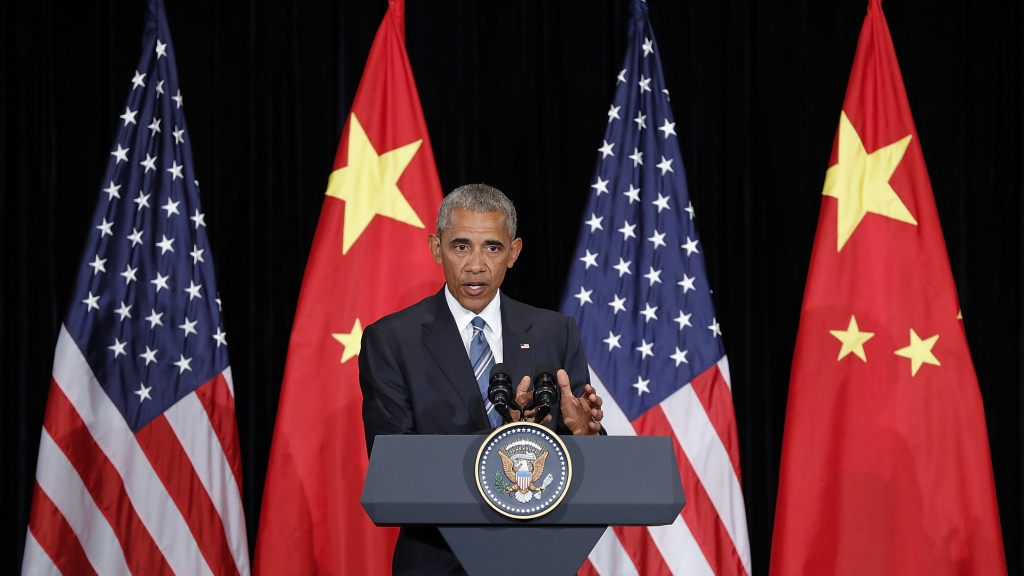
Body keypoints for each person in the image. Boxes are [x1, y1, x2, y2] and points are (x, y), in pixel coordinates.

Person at [359, 183, 605, 576]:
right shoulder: (391, 340)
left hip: (540, 557)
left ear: (514, 252)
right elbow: (395, 463)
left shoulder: (554, 332)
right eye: (460, 246)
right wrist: (509, 443)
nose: (476, 264)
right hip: (438, 559)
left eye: (492, 247)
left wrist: (584, 436)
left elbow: (586, 462)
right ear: (436, 248)